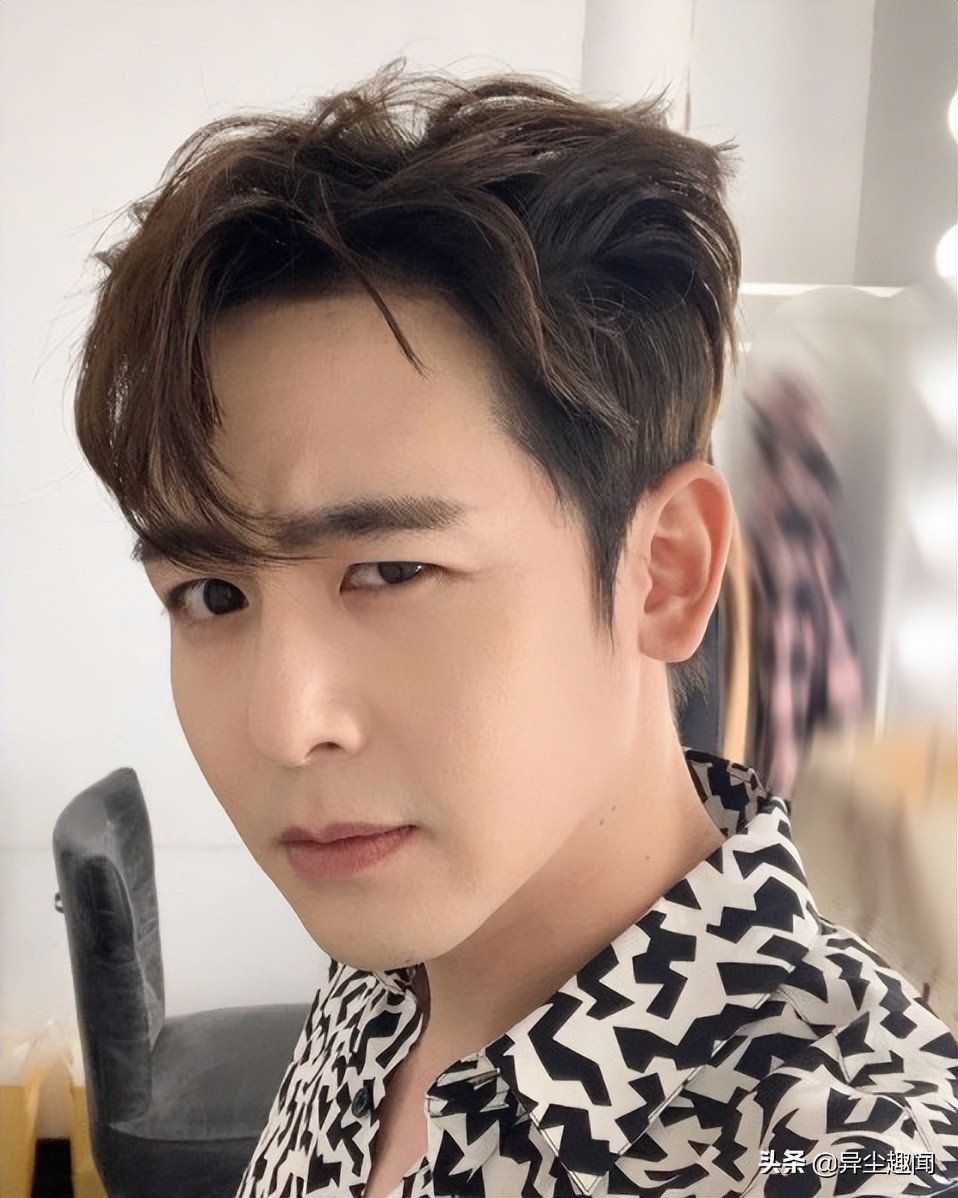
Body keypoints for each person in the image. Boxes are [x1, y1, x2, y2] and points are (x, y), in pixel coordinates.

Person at [73, 68, 956, 1198]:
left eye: (392, 571)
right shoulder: (389, 970)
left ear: (665, 570)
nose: (284, 727)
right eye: (210, 595)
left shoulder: (844, 1151)